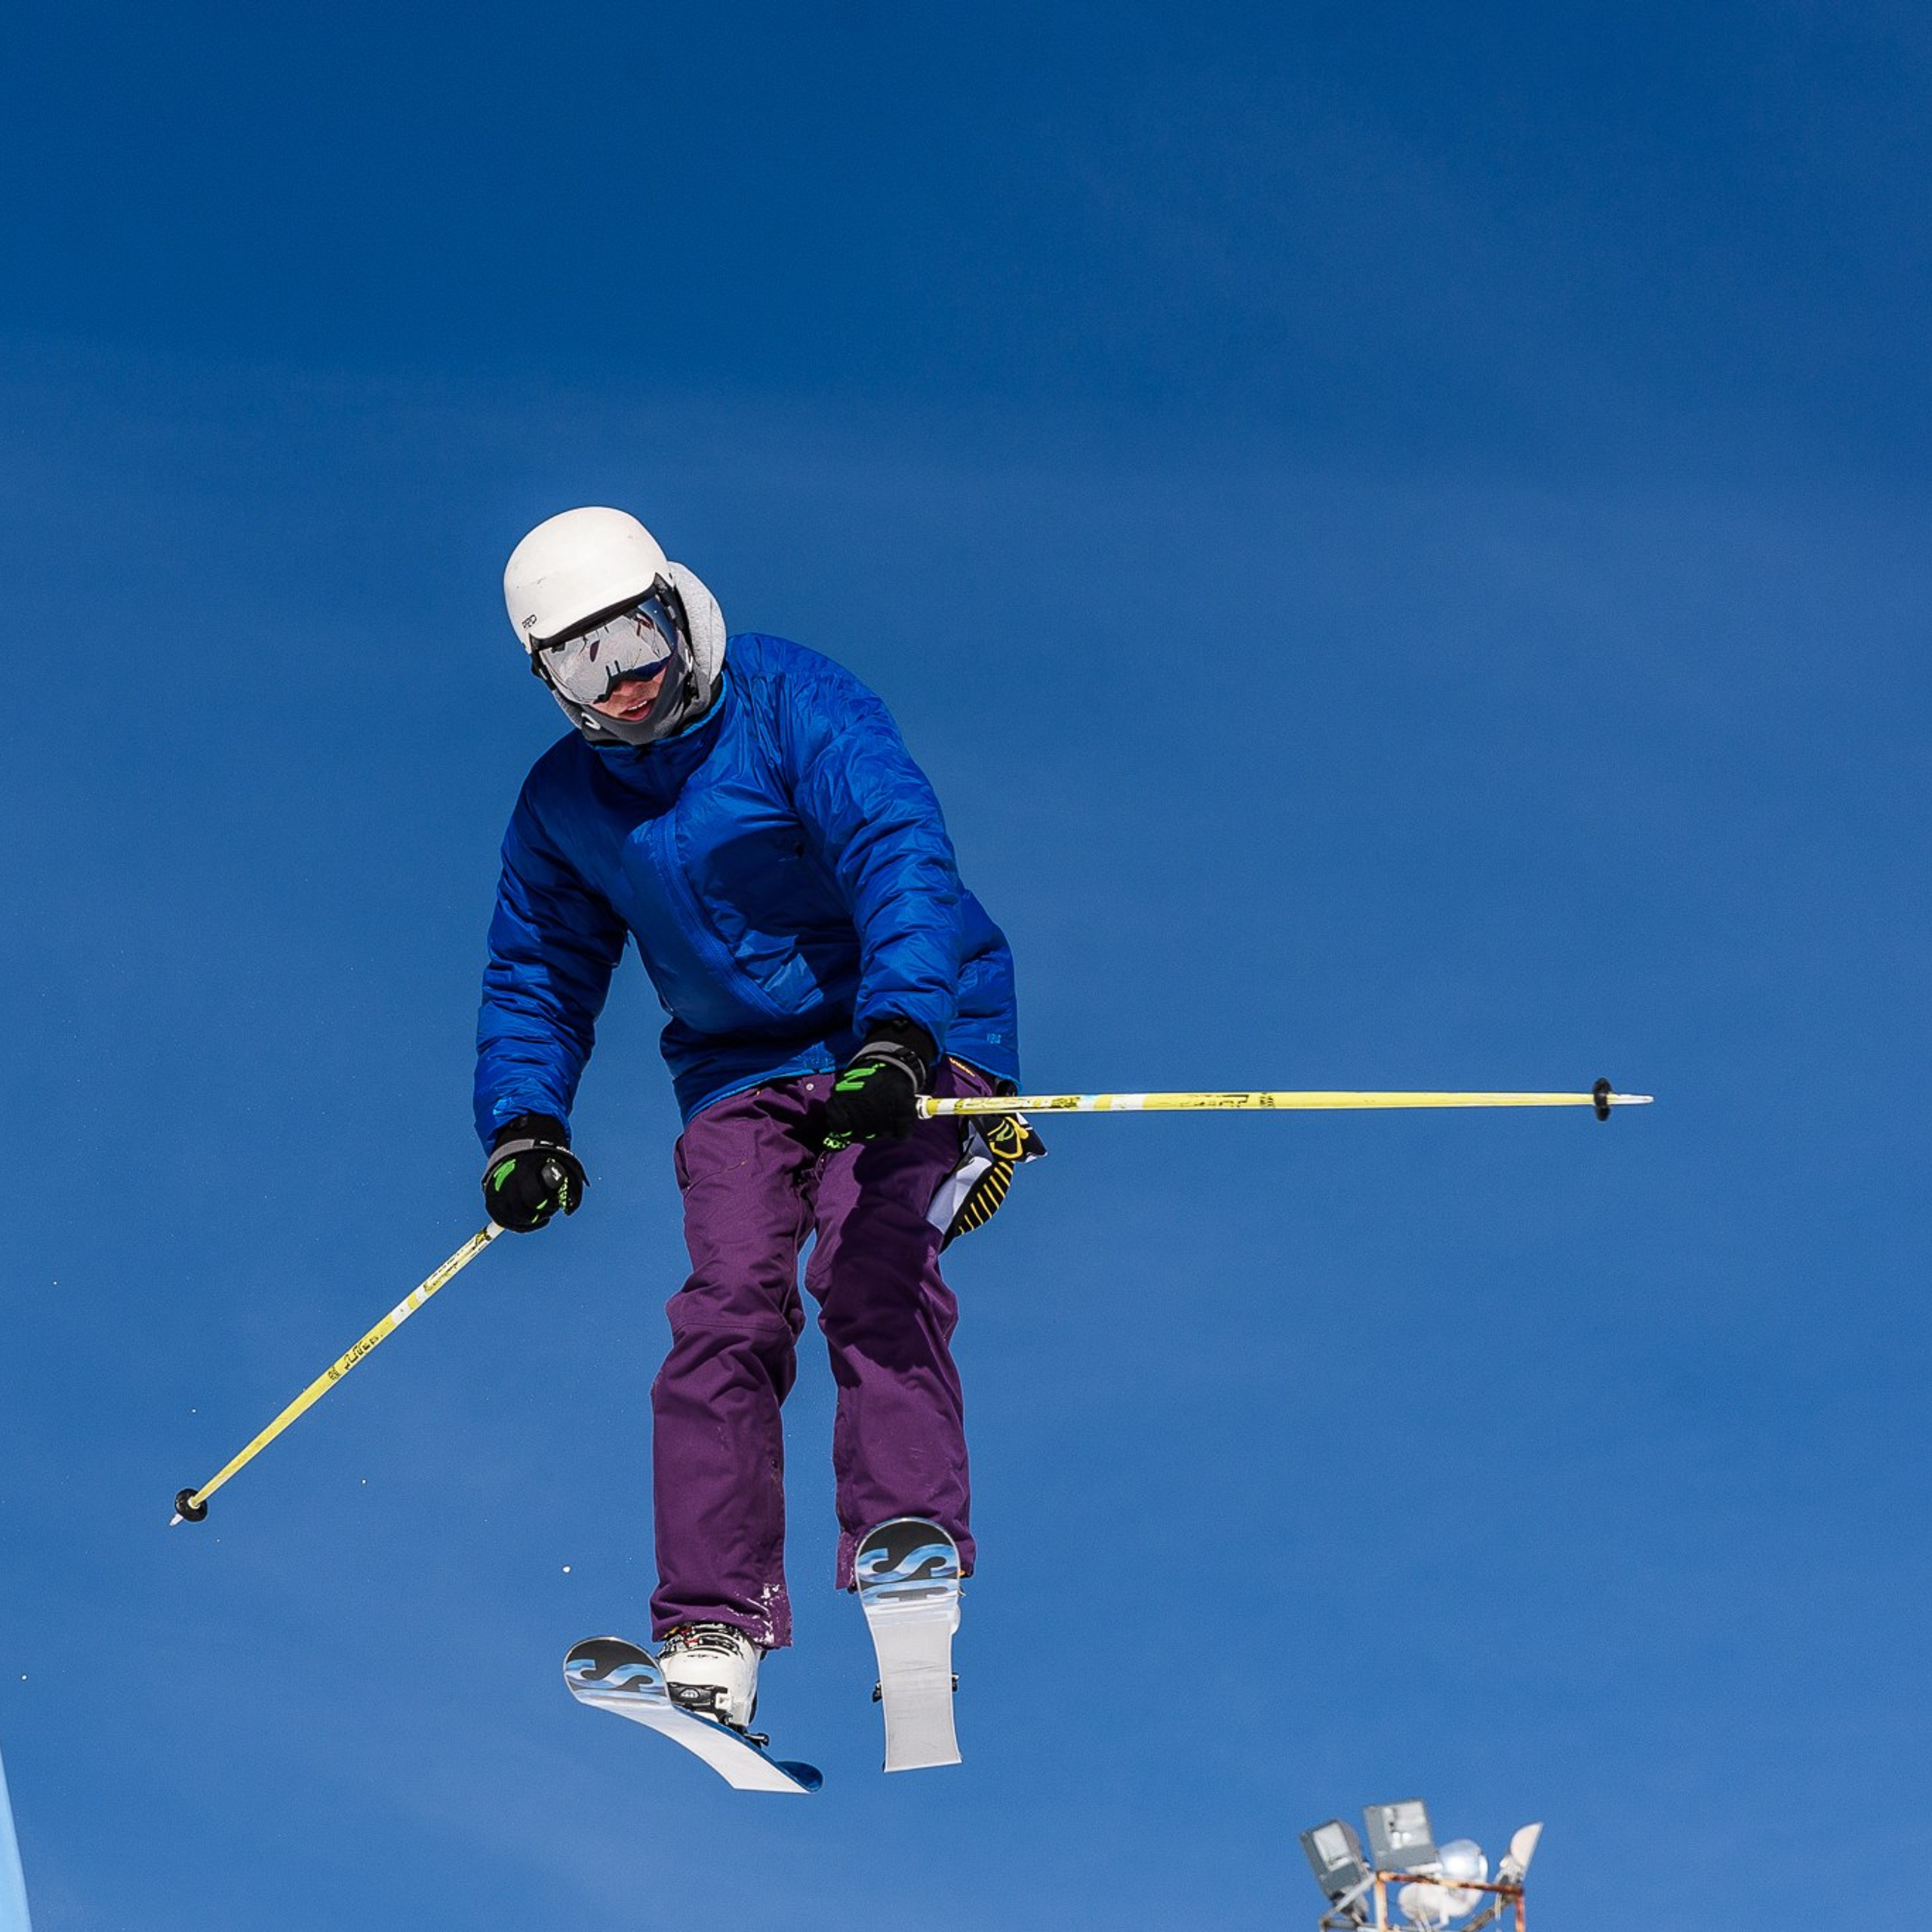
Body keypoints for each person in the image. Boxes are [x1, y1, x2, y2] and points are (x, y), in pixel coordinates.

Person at [474, 506, 1032, 1733]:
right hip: (738, 1072)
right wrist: (525, 1123)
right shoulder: (565, 804)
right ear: (549, 680)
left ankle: (907, 1548)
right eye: (582, 663)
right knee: (725, 1311)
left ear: (675, 609)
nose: (624, 681)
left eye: (635, 638)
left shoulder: (788, 702)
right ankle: (711, 1628)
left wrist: (900, 1030)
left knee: (869, 1265)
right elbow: (539, 972)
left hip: (903, 1027)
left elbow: (896, 849)